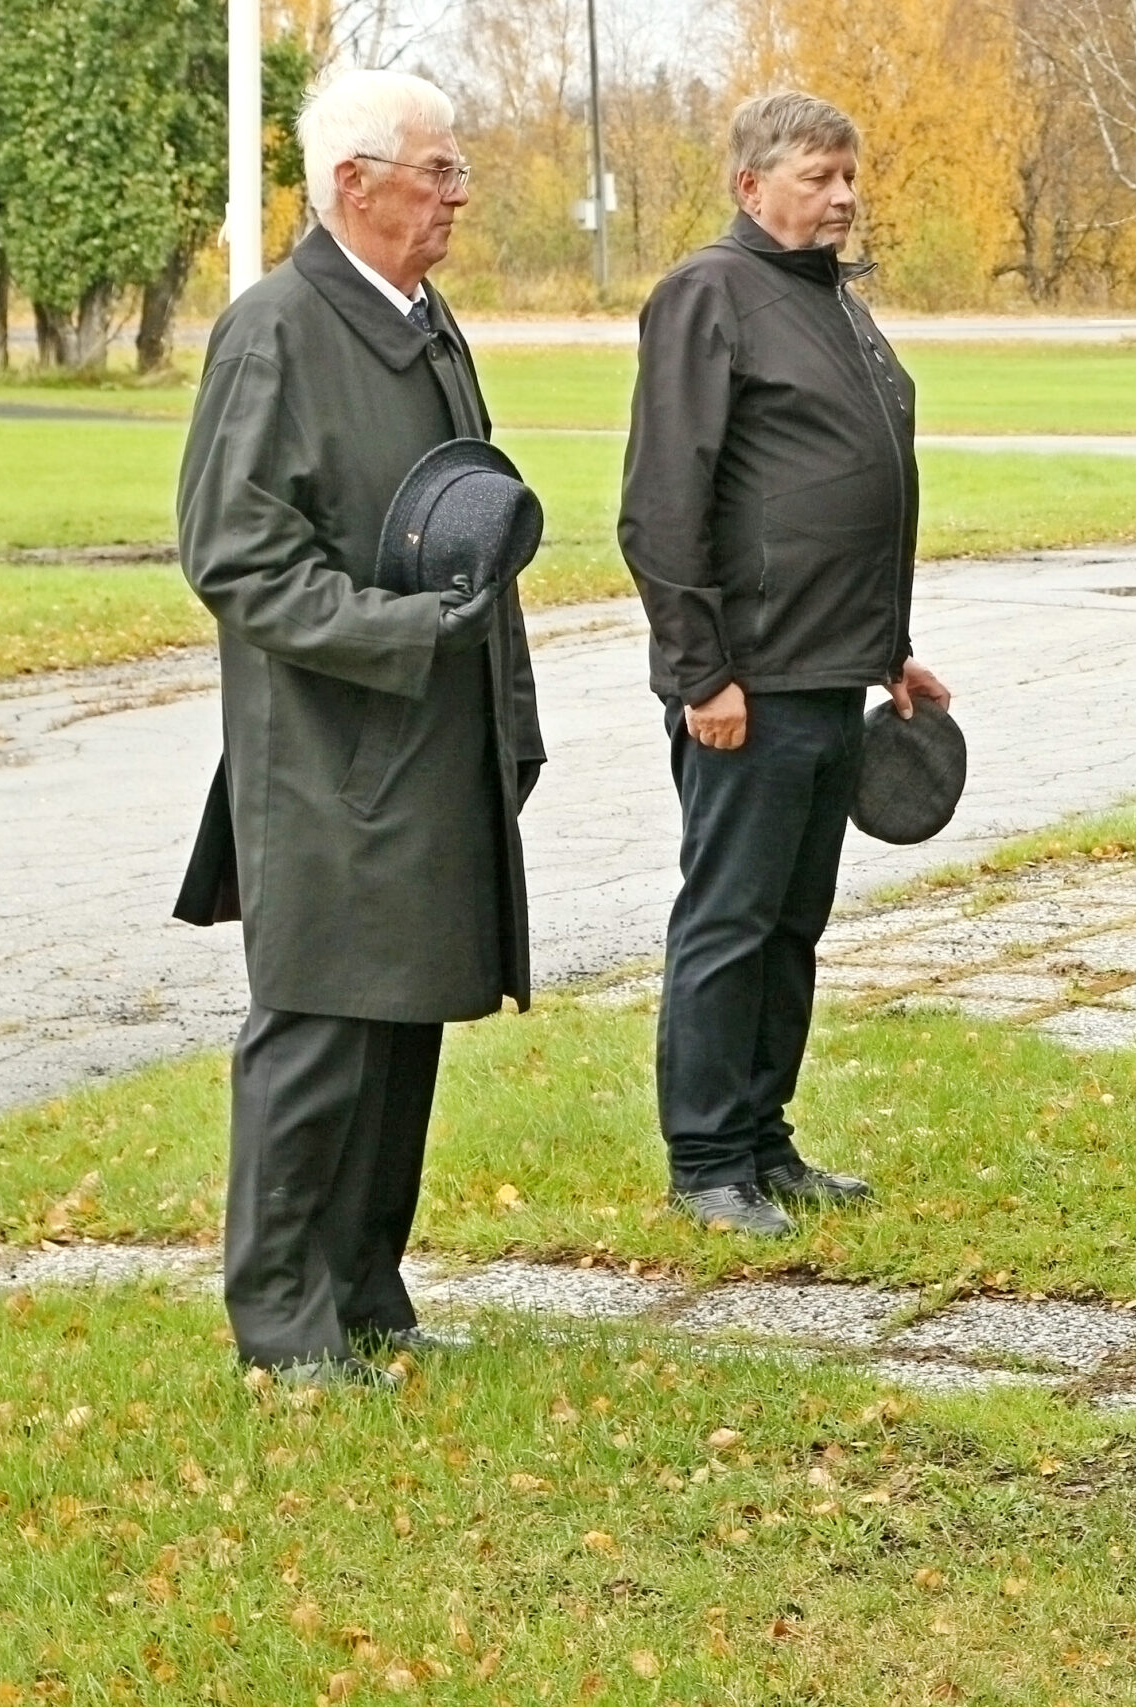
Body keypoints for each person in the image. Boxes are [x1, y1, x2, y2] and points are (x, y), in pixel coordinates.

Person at [173, 70, 542, 1387]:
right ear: (352, 183)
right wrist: (403, 633)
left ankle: (367, 1294)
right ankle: (284, 1323)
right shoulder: (274, 332)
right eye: (438, 171)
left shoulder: (424, 324)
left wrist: (507, 715)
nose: (458, 194)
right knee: (322, 1029)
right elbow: (235, 556)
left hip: (431, 738)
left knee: (404, 1021)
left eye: (455, 169)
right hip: (327, 755)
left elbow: (474, 535)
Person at [619, 91, 951, 1239]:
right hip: (745, 688)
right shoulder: (708, 295)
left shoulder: (832, 301)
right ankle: (708, 1162)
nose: (843, 195)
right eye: (818, 176)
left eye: (849, 174)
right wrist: (698, 674)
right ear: (750, 185)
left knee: (790, 925)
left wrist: (889, 654)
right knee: (730, 921)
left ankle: (764, 1140)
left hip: (829, 675)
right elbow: (662, 507)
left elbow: (852, 493)